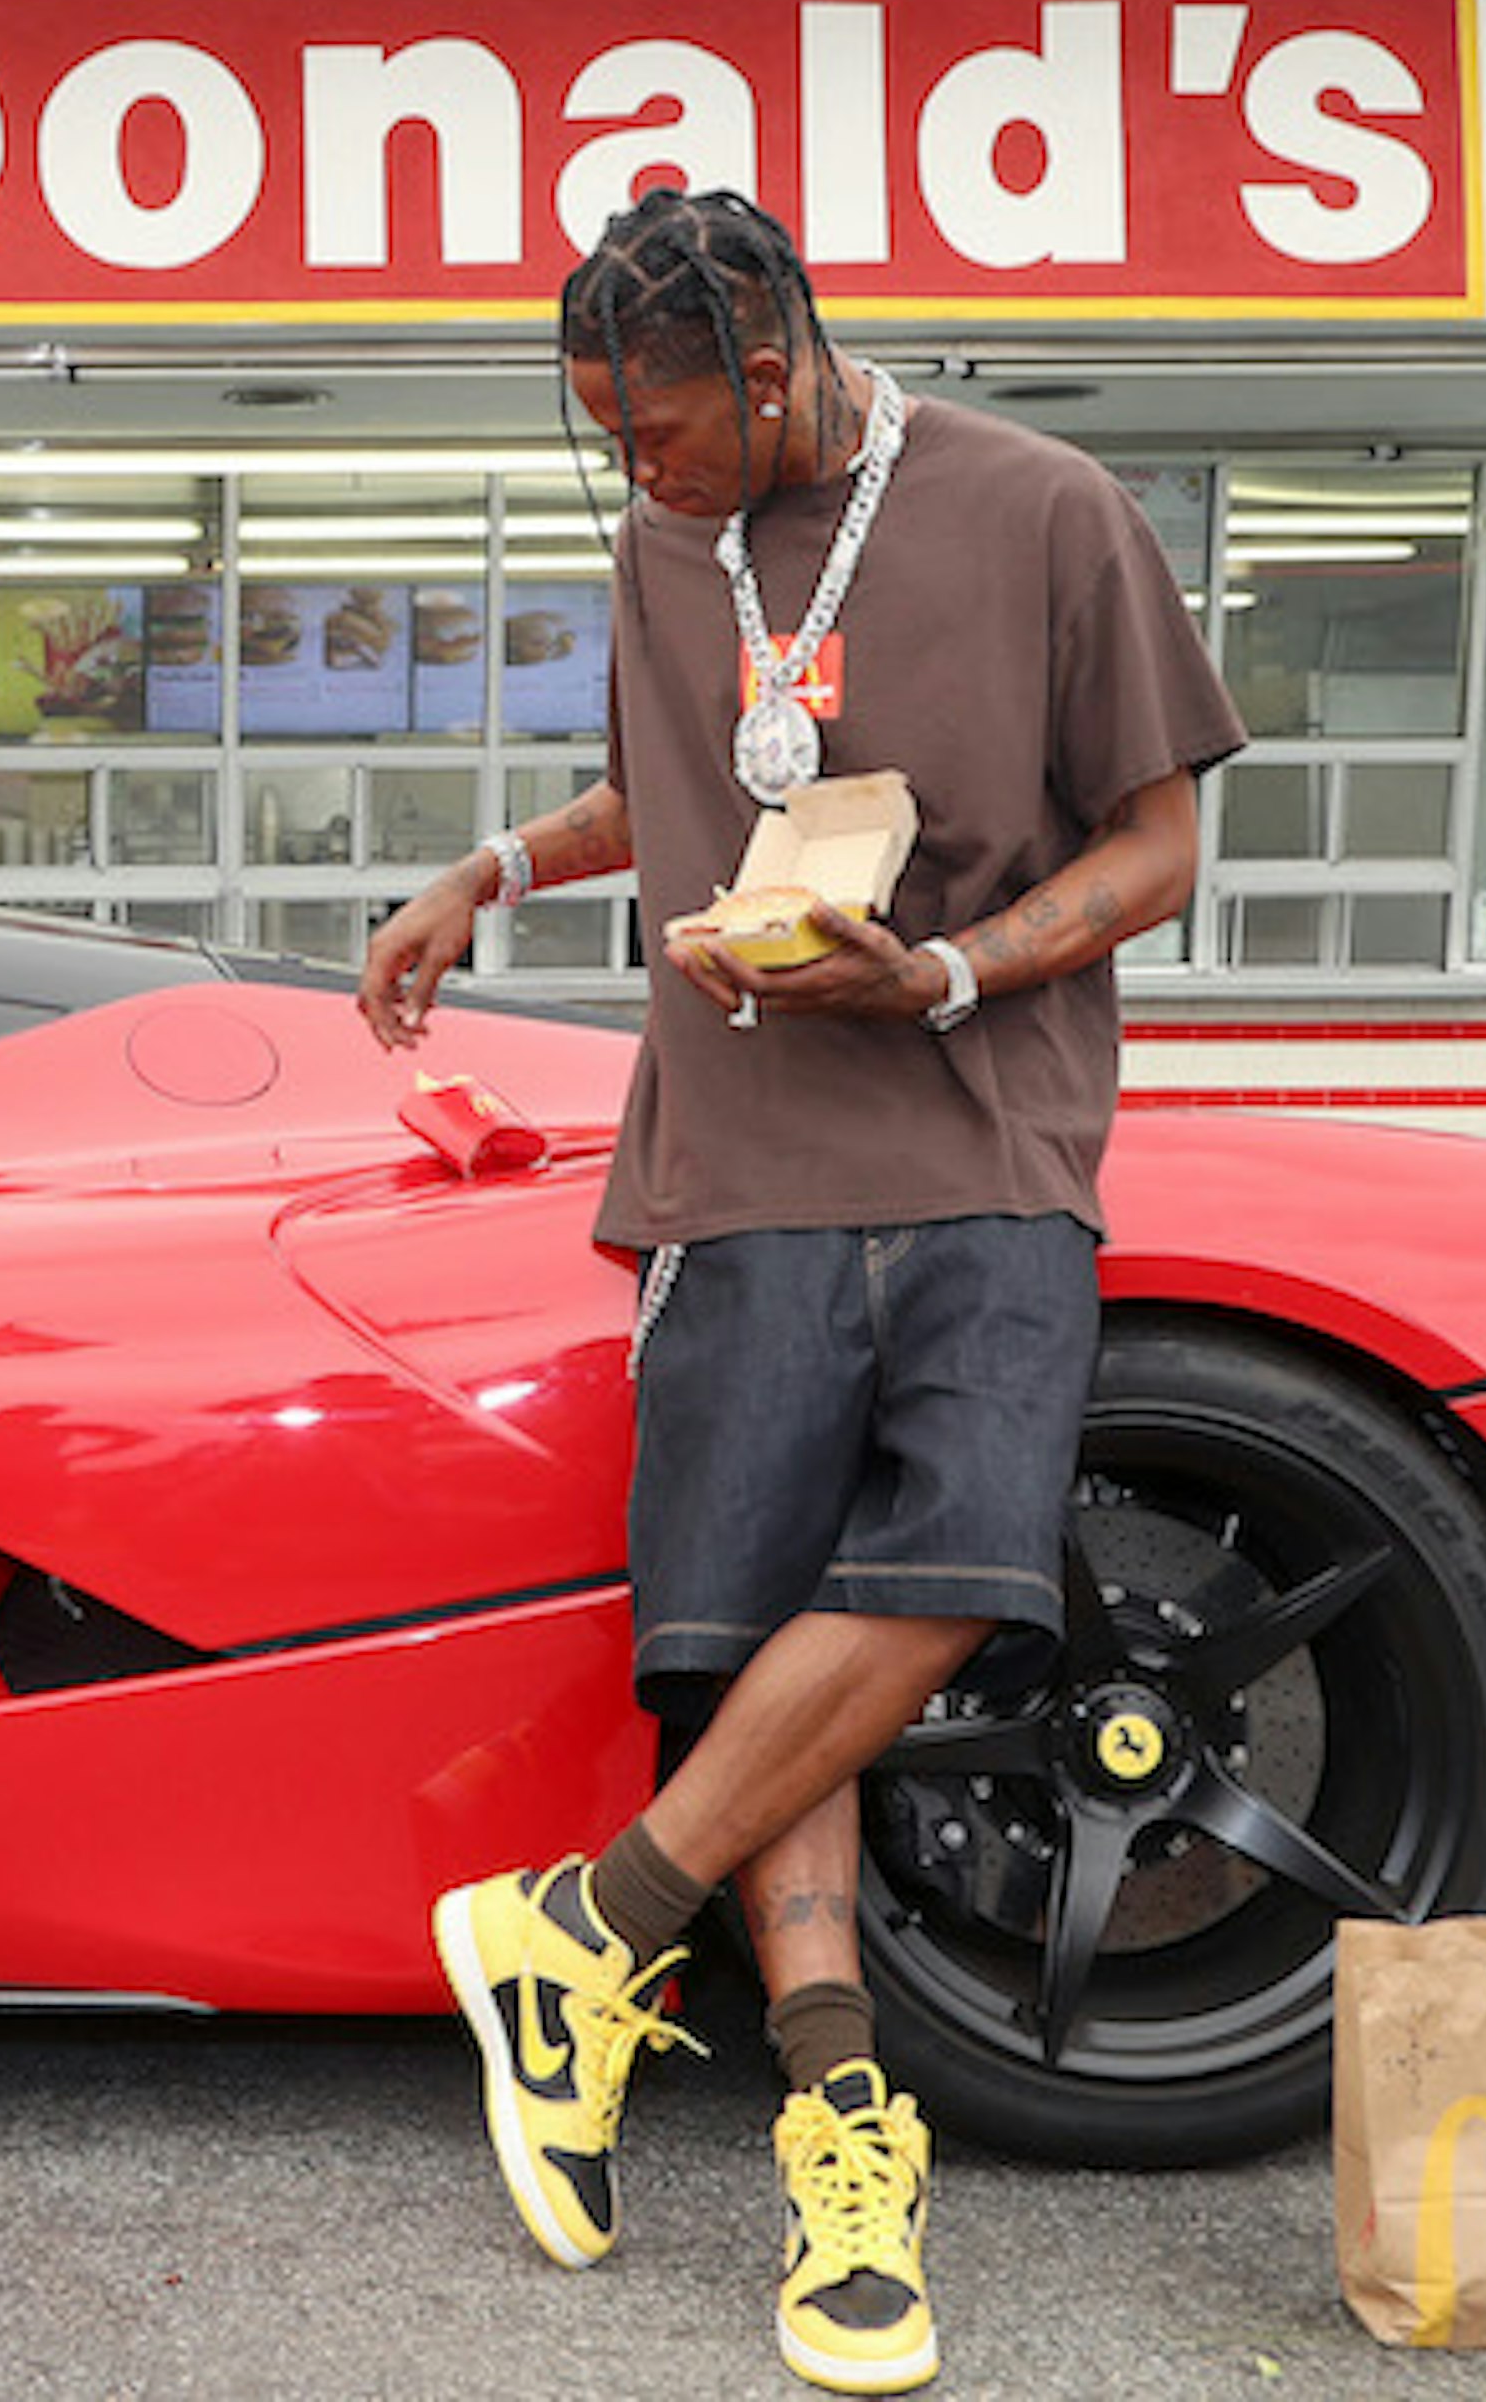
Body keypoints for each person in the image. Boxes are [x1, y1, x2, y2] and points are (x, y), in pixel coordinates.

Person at [356, 187, 1244, 2396]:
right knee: (757, 1645)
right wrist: (486, 868)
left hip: (988, 1137)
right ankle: (845, 2143)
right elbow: (668, 790)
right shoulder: (668, 543)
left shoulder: (1046, 510)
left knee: (949, 1572)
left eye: (653, 428)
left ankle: (590, 1928)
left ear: (768, 373)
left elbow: (1157, 844)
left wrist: (942, 974)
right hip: (738, 1159)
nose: (630, 469)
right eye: (606, 434)